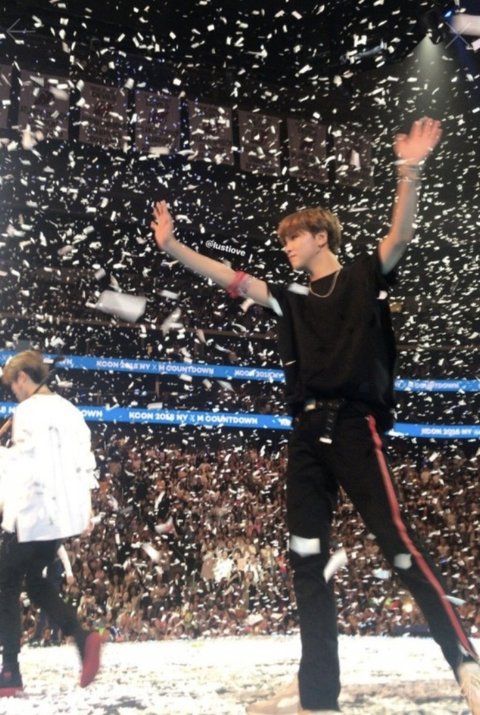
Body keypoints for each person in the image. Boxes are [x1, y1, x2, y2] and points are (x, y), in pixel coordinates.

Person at [151, 117, 480, 715]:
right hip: (306, 432)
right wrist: (173, 248)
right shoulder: (292, 298)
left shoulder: (362, 277)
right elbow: (230, 277)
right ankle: (318, 694)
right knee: (307, 559)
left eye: (293, 238)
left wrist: (409, 170)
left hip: (355, 425)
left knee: (399, 546)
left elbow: (400, 235)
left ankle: (465, 663)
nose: (286, 247)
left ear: (321, 236)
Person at [0, 350, 102, 696]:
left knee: (5, 584)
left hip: (32, 512)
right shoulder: (70, 410)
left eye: (13, 386)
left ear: (22, 378)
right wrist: (85, 508)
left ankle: (9, 672)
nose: (14, 393)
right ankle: (83, 638)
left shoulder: (26, 412)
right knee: (34, 582)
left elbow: (23, 466)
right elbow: (85, 461)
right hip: (61, 516)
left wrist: (6, 506)